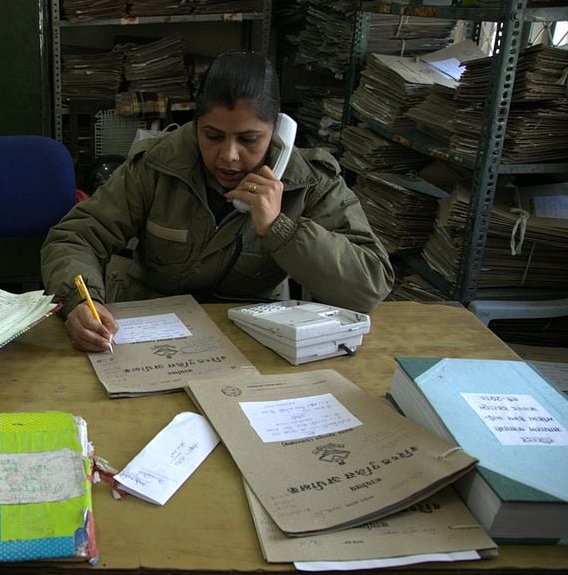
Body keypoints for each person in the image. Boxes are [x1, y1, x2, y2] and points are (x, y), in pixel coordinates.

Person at [41, 52, 393, 352]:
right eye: (212, 136)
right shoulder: (158, 165)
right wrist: (79, 302)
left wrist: (278, 228)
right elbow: (76, 236)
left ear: (278, 134)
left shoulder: (309, 181)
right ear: (196, 126)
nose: (229, 156)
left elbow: (368, 286)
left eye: (249, 139)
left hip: (256, 338)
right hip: (150, 332)